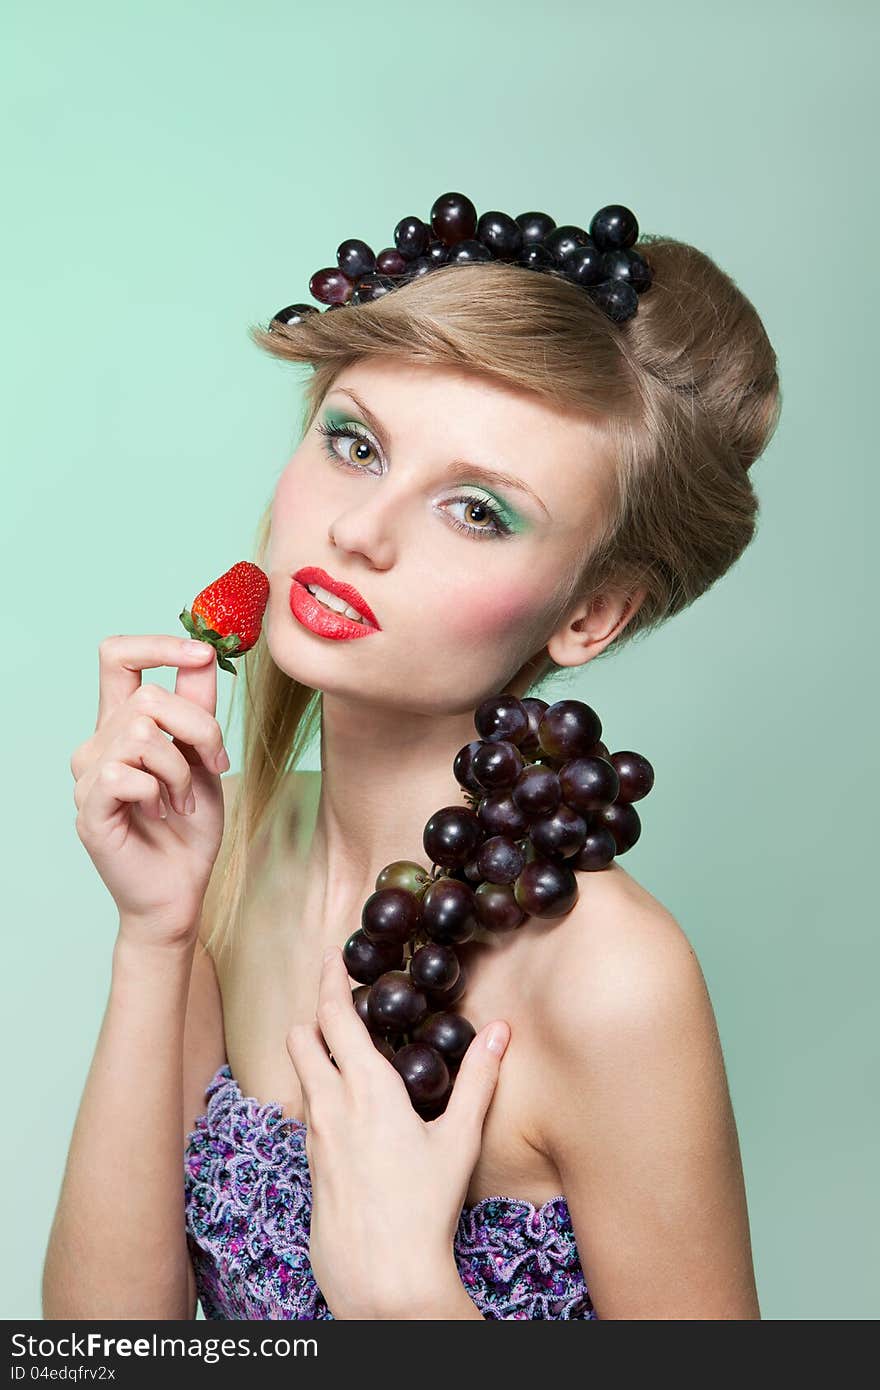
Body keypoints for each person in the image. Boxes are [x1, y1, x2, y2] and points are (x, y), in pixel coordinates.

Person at [42, 228, 780, 1320]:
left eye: (476, 510)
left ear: (591, 612)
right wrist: (153, 935)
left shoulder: (608, 979)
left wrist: (406, 1297)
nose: (359, 531)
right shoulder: (234, 850)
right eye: (354, 444)